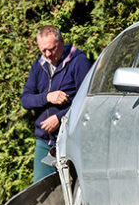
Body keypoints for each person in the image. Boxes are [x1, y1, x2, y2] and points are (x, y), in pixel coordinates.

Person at [20, 25, 90, 182]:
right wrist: (47, 97)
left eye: (51, 49)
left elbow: (86, 101)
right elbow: (26, 100)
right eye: (43, 50)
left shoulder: (79, 62)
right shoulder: (38, 65)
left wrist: (59, 118)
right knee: (41, 192)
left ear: (61, 43)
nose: (47, 54)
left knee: (75, 188)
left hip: (71, 140)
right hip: (45, 143)